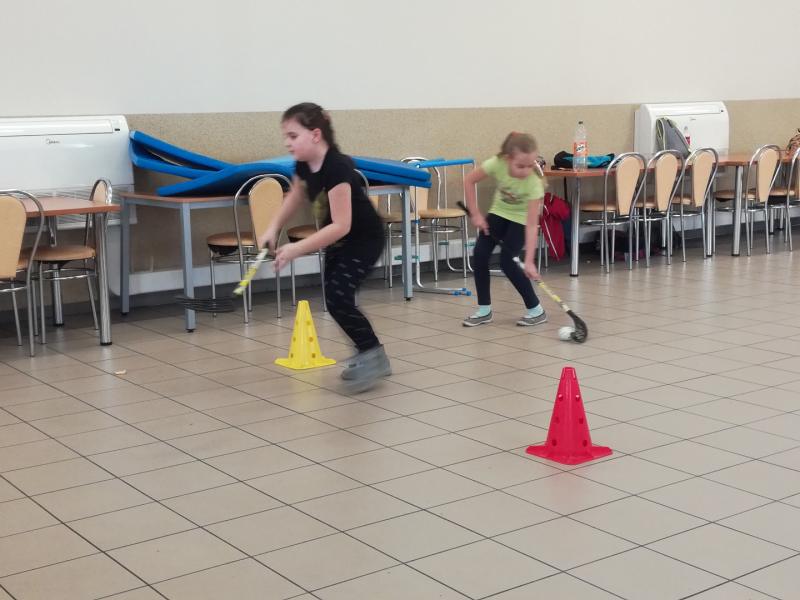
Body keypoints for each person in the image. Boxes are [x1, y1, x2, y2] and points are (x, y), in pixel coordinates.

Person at [259, 102, 390, 392]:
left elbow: (342, 224)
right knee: (334, 300)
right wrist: (273, 227)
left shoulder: (337, 167)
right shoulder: (304, 164)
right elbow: (295, 195)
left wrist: (296, 249)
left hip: (363, 240)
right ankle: (369, 352)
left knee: (338, 297)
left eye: (293, 136)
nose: (287, 143)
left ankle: (373, 355)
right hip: (339, 242)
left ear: (315, 134)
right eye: (286, 136)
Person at [463, 131, 546, 327]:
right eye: (520, 166)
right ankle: (484, 310)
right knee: (480, 254)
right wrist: (476, 214)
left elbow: (532, 225)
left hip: (521, 220)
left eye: (530, 165)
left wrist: (529, 261)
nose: (526, 171)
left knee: (507, 262)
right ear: (508, 159)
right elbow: (469, 180)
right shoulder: (497, 163)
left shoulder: (534, 184)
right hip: (499, 213)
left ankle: (536, 309)